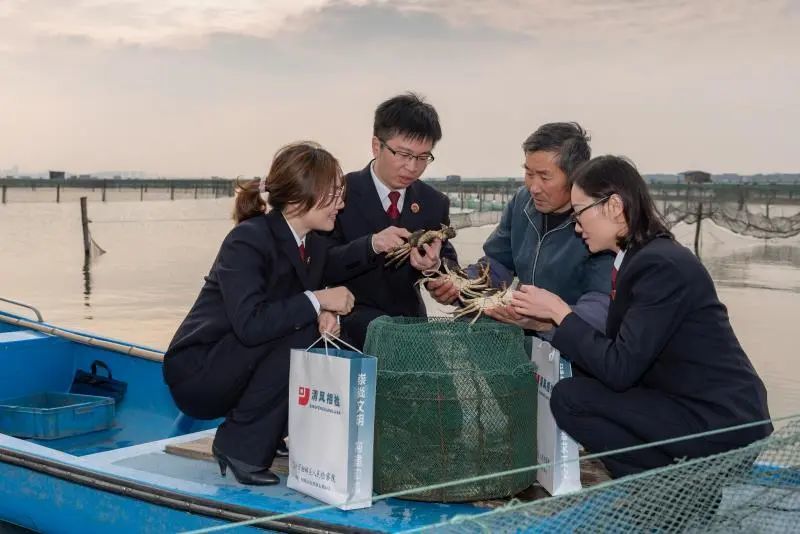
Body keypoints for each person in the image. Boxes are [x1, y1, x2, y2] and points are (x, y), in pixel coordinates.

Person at [510, 155, 773, 478]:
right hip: (690, 406)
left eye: (579, 213)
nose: (577, 227)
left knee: (572, 399)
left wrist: (561, 313)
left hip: (720, 423)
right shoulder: (641, 258)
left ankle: (675, 493)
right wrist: (542, 323)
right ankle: (679, 488)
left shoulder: (660, 267)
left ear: (614, 207)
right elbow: (620, 356)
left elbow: (619, 368)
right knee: (577, 384)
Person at [162, 142, 374, 486]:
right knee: (298, 331)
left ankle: (270, 433)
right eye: (333, 194)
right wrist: (318, 300)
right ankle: (239, 446)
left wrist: (324, 313)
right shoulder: (247, 240)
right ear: (297, 197)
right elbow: (251, 323)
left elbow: (297, 302)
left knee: (321, 332)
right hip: (199, 371)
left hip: (240, 361)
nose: (342, 204)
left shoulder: (314, 244)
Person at [427, 122, 612, 336]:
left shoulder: (600, 225)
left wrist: (545, 319)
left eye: (544, 177)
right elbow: (497, 264)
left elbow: (601, 306)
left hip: (577, 349)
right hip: (525, 339)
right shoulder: (522, 201)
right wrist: (461, 285)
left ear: (576, 176)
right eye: (529, 173)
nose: (533, 187)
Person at [330, 92, 458, 350]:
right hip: (347, 331)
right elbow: (318, 264)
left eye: (423, 157)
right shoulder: (339, 192)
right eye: (403, 154)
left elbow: (448, 263)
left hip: (412, 335)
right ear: (377, 146)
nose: (412, 167)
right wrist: (371, 245)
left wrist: (434, 269)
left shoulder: (434, 202)